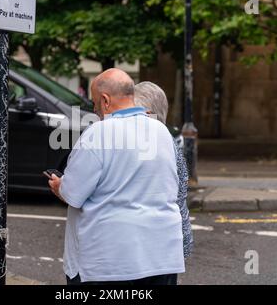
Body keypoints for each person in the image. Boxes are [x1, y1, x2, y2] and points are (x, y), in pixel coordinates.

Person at [48, 68, 185, 285]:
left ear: (105, 100)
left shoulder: (98, 133)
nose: (95, 109)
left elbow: (73, 194)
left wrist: (59, 186)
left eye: (94, 103)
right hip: (161, 256)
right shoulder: (161, 132)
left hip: (110, 263)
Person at [134, 81, 194, 260]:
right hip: (170, 242)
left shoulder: (149, 146)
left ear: (148, 114)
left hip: (154, 245)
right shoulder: (167, 142)